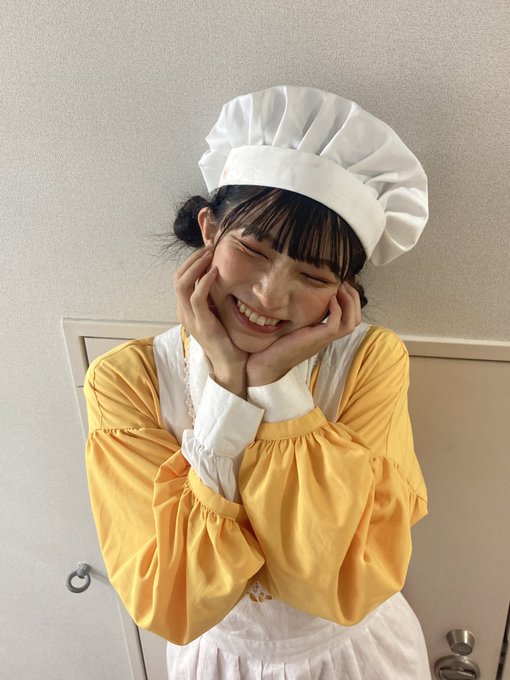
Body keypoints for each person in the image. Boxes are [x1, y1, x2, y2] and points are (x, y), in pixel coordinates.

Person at [84, 85, 431, 679]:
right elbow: (172, 599)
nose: (270, 296)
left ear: (344, 291)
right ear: (209, 230)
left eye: (313, 275)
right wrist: (226, 385)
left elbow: (343, 581)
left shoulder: (370, 362)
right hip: (219, 661)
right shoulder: (126, 383)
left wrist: (274, 384)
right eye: (252, 249)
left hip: (361, 657)